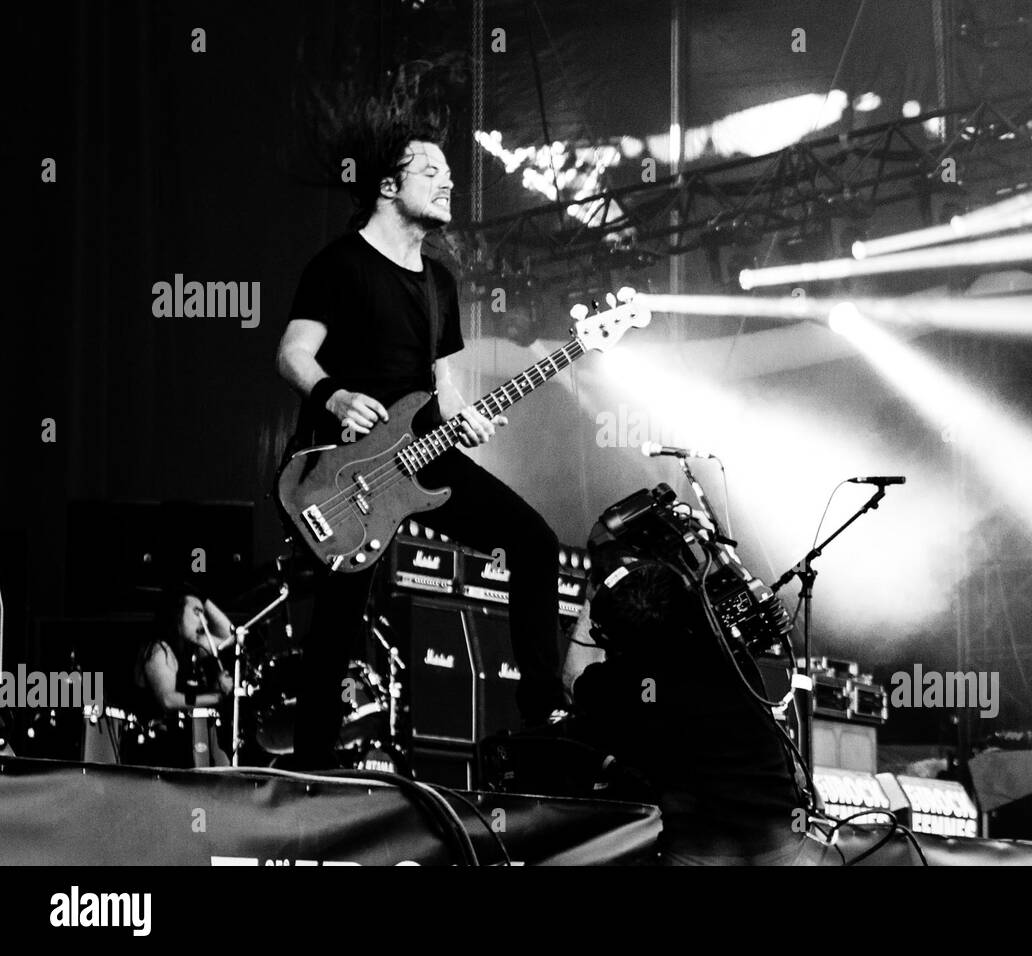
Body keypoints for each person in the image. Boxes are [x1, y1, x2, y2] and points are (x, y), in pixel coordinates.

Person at [276, 98, 565, 768]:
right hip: (348, 469)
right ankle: (311, 772)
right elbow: (292, 351)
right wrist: (336, 395)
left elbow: (441, 382)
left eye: (448, 174)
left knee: (534, 539)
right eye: (430, 171)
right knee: (339, 624)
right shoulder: (339, 265)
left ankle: (544, 710)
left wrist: (468, 417)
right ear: (387, 186)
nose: (448, 182)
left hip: (425, 453)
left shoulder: (440, 281)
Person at [571, 546, 815, 865]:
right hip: (786, 848)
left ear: (607, 635)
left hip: (701, 853)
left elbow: (571, 679)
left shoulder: (620, 684)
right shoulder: (732, 655)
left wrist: (591, 602)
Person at [132, 587, 235, 767]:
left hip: (186, 744)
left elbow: (231, 636)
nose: (203, 621)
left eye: (203, 614)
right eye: (196, 613)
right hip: (158, 750)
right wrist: (218, 697)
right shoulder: (160, 650)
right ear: (177, 614)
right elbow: (168, 700)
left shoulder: (194, 648)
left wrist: (205, 601)